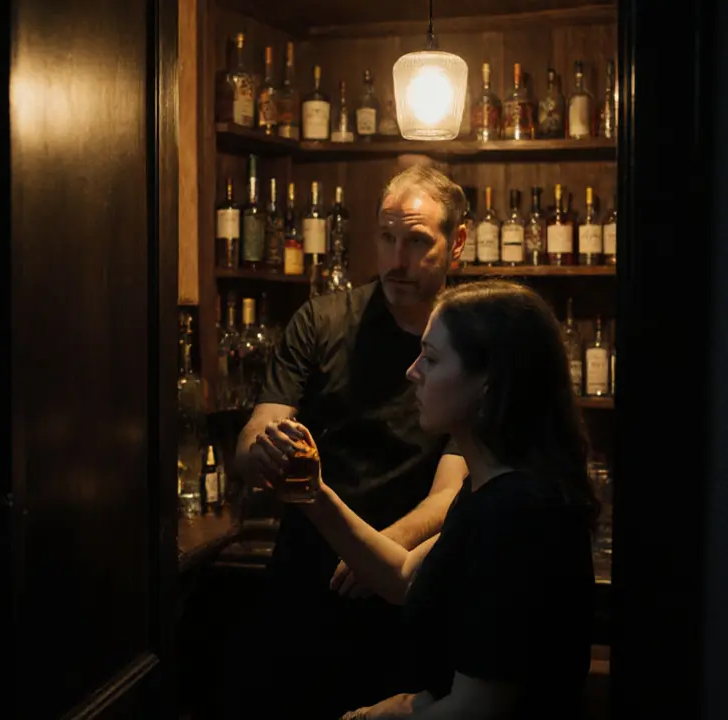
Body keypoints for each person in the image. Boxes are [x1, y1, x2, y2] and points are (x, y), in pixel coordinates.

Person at [260, 280, 599, 719]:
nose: (412, 371)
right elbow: (405, 577)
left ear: (487, 385)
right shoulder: (489, 491)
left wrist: (403, 710)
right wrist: (314, 496)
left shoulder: (519, 515)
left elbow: (476, 709)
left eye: (432, 359)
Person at [231, 165, 470, 719]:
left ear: (457, 242)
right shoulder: (322, 321)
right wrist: (261, 450)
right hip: (305, 593)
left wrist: (377, 556)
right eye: (387, 238)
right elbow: (255, 436)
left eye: (416, 241)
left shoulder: (470, 337)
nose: (396, 259)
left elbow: (450, 491)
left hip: (409, 595)